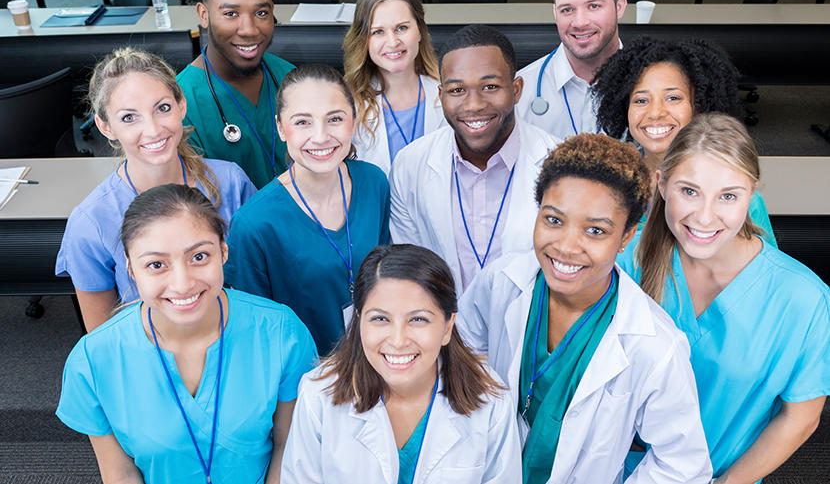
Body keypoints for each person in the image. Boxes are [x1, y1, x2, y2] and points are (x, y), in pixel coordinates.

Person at [458, 133, 712, 484]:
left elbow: (683, 466)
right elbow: (462, 357)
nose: (566, 246)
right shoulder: (501, 282)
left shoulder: (654, 345)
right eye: (553, 220)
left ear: (626, 237)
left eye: (595, 230)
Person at [57, 184, 317, 483]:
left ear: (223, 251)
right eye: (156, 264)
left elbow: (289, 449)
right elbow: (120, 474)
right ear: (130, 268)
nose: (182, 284)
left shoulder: (282, 333)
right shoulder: (93, 361)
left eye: (199, 257)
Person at [619, 114, 829, 483]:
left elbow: (801, 416)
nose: (704, 217)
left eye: (728, 196)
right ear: (662, 184)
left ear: (752, 194)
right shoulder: (624, 263)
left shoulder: (803, 299)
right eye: (689, 191)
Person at [281, 244, 521, 483]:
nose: (398, 341)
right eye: (380, 318)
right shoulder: (318, 395)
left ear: (448, 327)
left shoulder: (490, 401)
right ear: (358, 321)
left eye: (418, 319)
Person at [56, 48, 256, 332]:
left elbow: (260, 281)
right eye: (129, 117)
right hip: (154, 361)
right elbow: (102, 338)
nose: (152, 130)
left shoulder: (232, 182)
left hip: (239, 338)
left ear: (181, 105)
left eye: (162, 108)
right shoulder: (90, 222)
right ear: (105, 126)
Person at [225, 64, 390, 355]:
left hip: (378, 362)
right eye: (303, 122)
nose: (321, 136)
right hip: (306, 381)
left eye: (335, 119)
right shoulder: (254, 225)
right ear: (280, 128)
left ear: (353, 119)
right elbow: (253, 332)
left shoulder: (373, 182)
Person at [390, 25, 559, 293]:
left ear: (516, 90)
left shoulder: (560, 162)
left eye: (490, 86)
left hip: (531, 327)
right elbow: (410, 269)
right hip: (446, 328)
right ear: (441, 95)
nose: (473, 105)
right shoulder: (409, 165)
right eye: (457, 90)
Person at [592, 35, 777, 244]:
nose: (655, 113)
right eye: (641, 100)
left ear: (698, 105)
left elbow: (765, 267)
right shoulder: (609, 181)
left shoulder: (733, 188)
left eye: (673, 98)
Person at [174, 0, 295, 188]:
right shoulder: (181, 104)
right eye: (231, 13)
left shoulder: (288, 77)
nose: (249, 29)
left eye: (261, 12)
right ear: (203, 15)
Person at [515, 0, 626, 138]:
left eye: (593, 6)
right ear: (555, 13)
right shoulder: (521, 93)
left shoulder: (655, 83)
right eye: (567, 10)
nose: (580, 22)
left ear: (619, 7)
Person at [343, 0, 445, 175]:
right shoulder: (347, 104)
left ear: (420, 31)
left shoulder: (448, 94)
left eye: (402, 28)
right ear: (364, 40)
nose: (392, 42)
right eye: (378, 32)